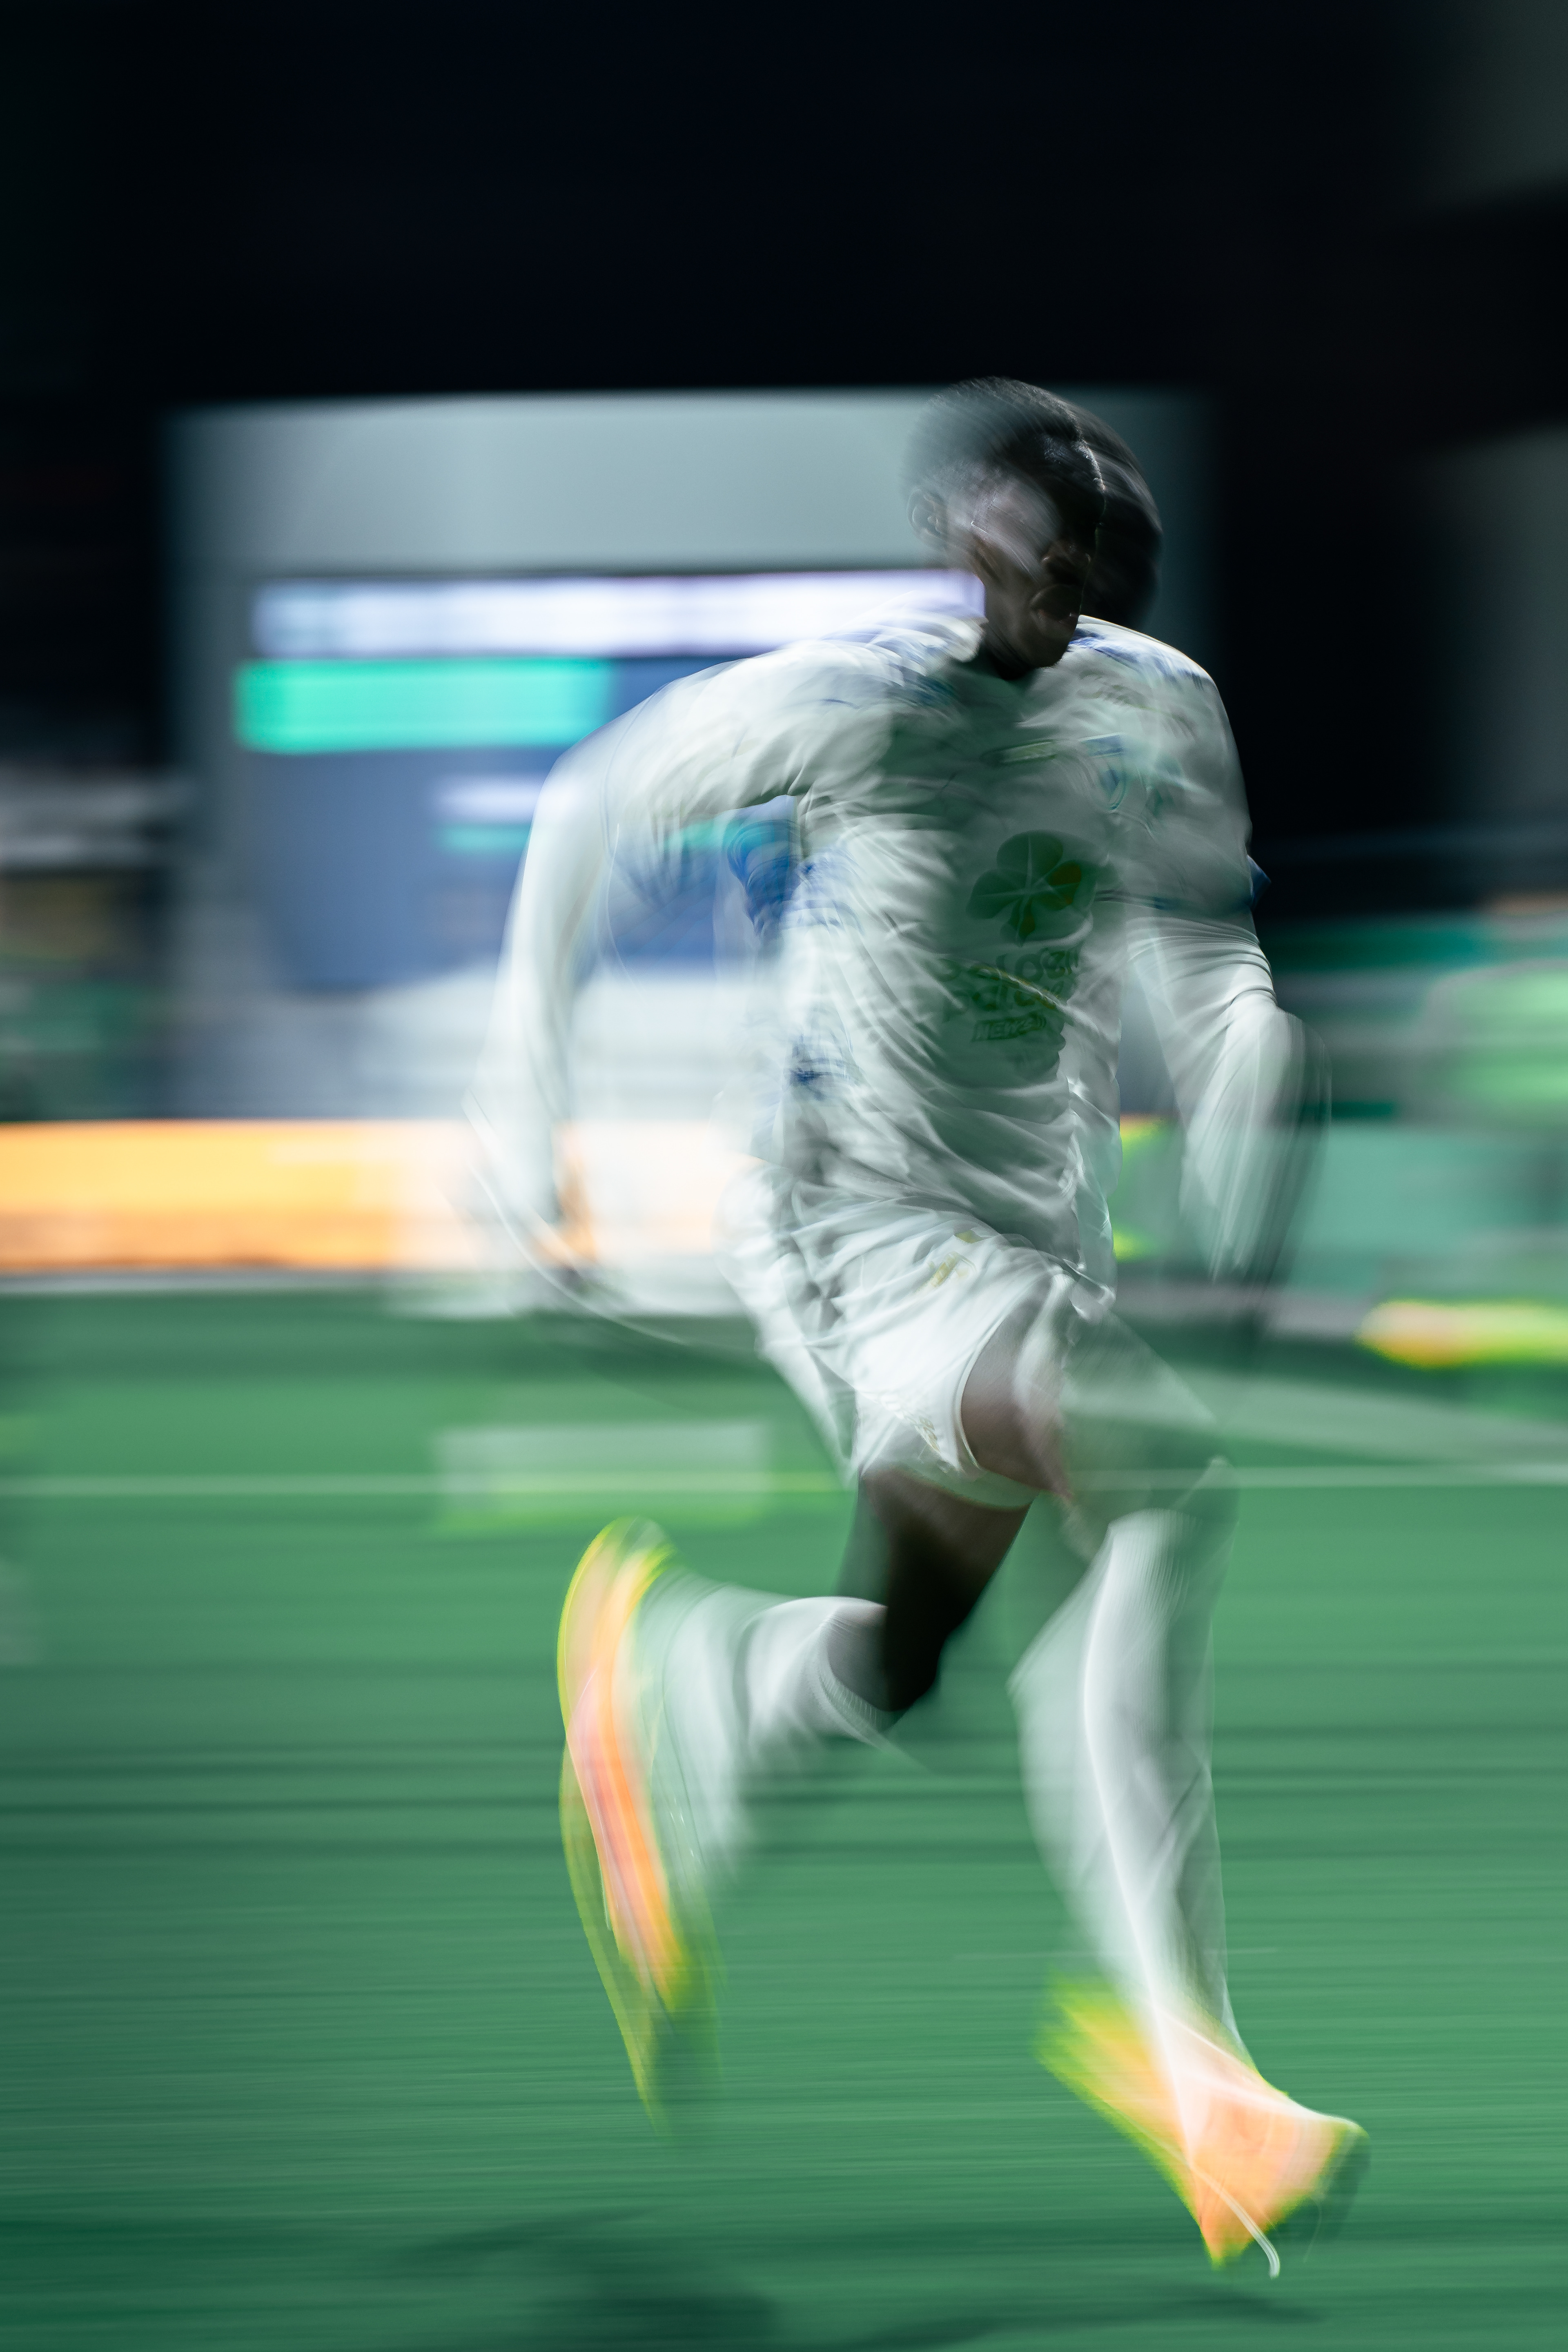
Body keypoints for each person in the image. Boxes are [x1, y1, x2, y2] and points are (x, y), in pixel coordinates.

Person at [470, 379, 1365, 2273]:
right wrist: (520, 1132)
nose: (1056, 587)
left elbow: (1203, 947)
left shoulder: (1157, 708)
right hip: (849, 1225)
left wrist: (1247, 1067)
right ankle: (1194, 2070)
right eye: (1030, 547)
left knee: (906, 1652)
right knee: (1165, 1482)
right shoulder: (857, 706)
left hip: (1033, 1233)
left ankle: (692, 1689)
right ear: (961, 534)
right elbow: (589, 805)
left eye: (1090, 561)